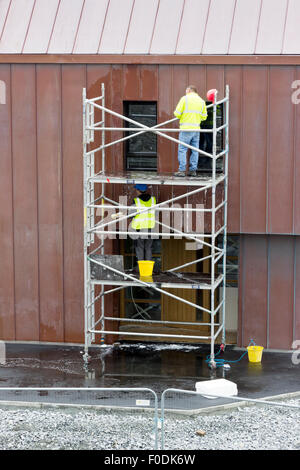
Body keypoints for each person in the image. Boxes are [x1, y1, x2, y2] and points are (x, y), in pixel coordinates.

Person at [174, 85, 207, 177]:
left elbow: (177, 114)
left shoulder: (184, 99)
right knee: (195, 150)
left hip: (185, 129)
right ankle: (193, 170)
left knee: (182, 150)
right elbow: (204, 117)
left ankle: (181, 170)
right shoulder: (201, 101)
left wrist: (184, 116)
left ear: (188, 90)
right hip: (196, 130)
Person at [130, 184, 156, 267]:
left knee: (140, 247)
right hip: (151, 228)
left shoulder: (136, 201)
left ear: (138, 190)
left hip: (139, 228)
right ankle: (148, 268)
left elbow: (131, 214)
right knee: (148, 248)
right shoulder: (153, 200)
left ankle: (141, 268)